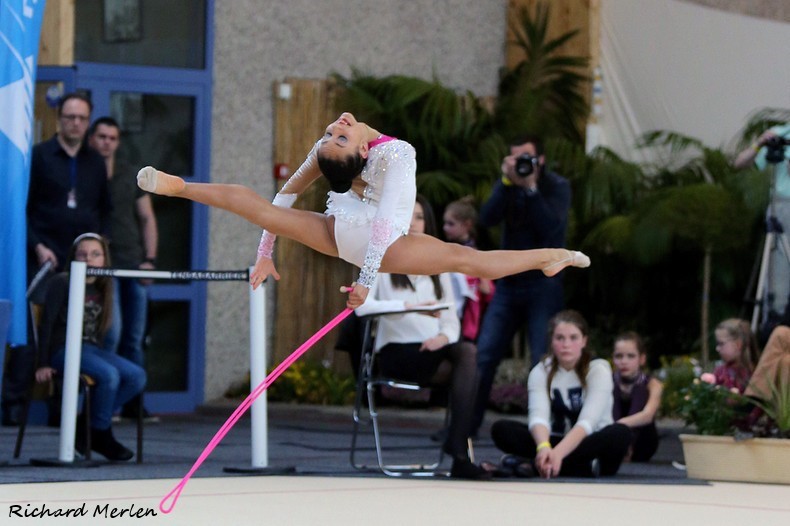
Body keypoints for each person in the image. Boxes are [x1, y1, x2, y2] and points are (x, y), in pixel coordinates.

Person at [135, 112, 590, 310]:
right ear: (364, 149)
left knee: (468, 262)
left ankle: (550, 256)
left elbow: (287, 203)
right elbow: (285, 198)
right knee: (466, 260)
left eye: (334, 135)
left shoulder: (369, 154)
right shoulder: (397, 154)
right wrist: (265, 252)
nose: (336, 128)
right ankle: (181, 187)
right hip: (376, 241)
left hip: (350, 236)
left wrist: (363, 280)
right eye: (337, 136)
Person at [355, 195, 488, 480]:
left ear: (427, 223)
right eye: (407, 215)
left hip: (433, 352)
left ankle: (458, 452)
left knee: (467, 354)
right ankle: (459, 453)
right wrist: (408, 307)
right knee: (466, 364)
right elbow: (361, 306)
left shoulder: (438, 265)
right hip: (396, 353)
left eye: (419, 217)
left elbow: (452, 320)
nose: (413, 223)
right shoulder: (378, 258)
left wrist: (443, 337)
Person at [3, 93, 112, 427]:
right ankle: (12, 406)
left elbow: (104, 211)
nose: (74, 123)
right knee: (35, 328)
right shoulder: (38, 156)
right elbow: (20, 208)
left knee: (82, 330)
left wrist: (98, 250)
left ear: (87, 121)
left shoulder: (95, 162)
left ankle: (63, 412)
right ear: (59, 119)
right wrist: (37, 246)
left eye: (81, 118)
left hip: (82, 262)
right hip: (46, 257)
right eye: (69, 117)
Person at [471, 134, 570, 436]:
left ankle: (541, 430)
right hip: (509, 285)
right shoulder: (509, 185)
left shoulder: (557, 187)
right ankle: (463, 427)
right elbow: (485, 219)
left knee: (540, 360)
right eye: (515, 159)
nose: (521, 164)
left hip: (544, 284)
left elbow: (552, 228)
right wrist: (505, 182)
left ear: (540, 159)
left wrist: (531, 190)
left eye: (526, 158)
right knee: (483, 355)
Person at [34, 233, 146, 461]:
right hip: (62, 349)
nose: (88, 260)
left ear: (104, 258)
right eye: (82, 254)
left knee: (137, 376)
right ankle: (100, 433)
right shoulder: (62, 281)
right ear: (74, 257)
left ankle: (87, 427)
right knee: (109, 376)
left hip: (90, 349)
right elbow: (46, 324)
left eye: (95, 254)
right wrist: (42, 362)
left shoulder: (105, 284)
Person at [483, 310, 631, 478]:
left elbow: (588, 422)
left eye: (573, 338)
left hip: (590, 442)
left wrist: (558, 454)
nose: (566, 344)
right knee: (502, 430)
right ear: (552, 341)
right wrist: (543, 447)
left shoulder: (598, 370)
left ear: (584, 341)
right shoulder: (541, 371)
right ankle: (578, 468)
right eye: (560, 338)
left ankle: (534, 465)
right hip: (555, 441)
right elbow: (538, 417)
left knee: (620, 433)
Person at [88, 117, 159, 421]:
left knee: (134, 337)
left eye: (112, 137)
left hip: (133, 262)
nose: (106, 142)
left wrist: (150, 260)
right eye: (101, 136)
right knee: (111, 334)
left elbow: (147, 218)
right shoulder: (86, 172)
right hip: (104, 268)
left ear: (118, 141)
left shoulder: (130, 173)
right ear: (93, 139)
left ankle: (133, 404)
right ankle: (108, 405)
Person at [734, 124, 790, 325]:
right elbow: (739, 163)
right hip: (779, 207)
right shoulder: (780, 132)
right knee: (777, 274)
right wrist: (760, 144)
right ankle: (772, 322)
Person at [442, 196, 495, 342]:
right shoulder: (445, 250)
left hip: (468, 319)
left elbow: (488, 290)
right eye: (445, 223)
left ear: (467, 225)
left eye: (451, 224)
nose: (445, 228)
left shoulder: (475, 254)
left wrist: (476, 280)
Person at [611, 331, 663, 462]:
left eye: (630, 356)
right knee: (613, 389)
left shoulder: (652, 383)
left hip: (642, 440)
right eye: (619, 356)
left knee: (639, 390)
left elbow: (647, 415)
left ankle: (627, 446)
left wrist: (618, 427)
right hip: (611, 437)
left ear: (642, 359)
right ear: (613, 358)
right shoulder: (608, 381)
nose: (624, 361)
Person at [712, 318, 758, 394]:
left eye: (721, 344)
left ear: (738, 344)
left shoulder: (756, 373)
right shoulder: (720, 373)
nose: (717, 349)